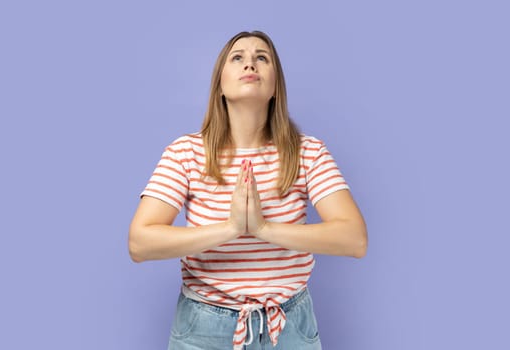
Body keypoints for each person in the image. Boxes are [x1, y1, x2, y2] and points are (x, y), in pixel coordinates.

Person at [129, 30, 367, 350]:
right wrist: (230, 228)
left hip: (289, 327)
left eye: (262, 58)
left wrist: (264, 228)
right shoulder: (185, 153)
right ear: (220, 84)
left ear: (275, 88)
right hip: (203, 328)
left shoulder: (307, 152)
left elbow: (354, 239)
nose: (250, 64)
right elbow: (140, 243)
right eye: (237, 57)